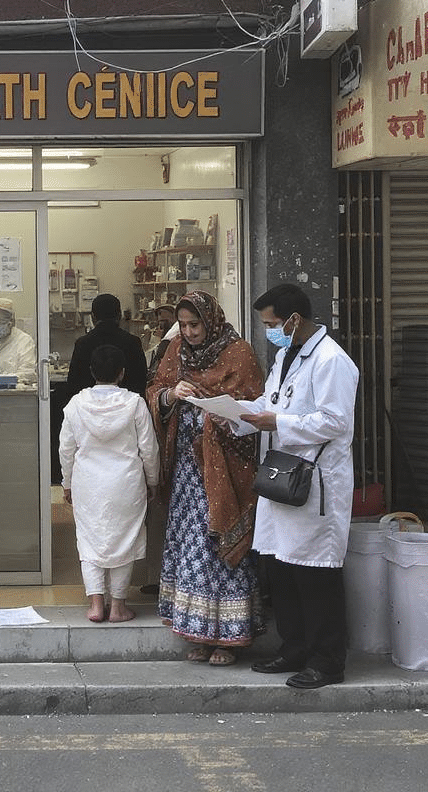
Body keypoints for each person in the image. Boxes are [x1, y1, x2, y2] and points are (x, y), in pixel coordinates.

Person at [231, 284, 359, 690]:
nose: (269, 331)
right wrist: (236, 413)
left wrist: (277, 424)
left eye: (271, 323)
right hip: (282, 476)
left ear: (294, 320)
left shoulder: (332, 361)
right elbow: (272, 404)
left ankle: (326, 660)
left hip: (316, 482)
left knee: (315, 574)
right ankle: (294, 648)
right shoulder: (287, 355)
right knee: (282, 566)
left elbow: (336, 421)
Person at [147, 290, 265, 666]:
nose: (189, 332)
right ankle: (194, 630)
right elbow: (153, 391)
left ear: (211, 320)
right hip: (187, 470)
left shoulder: (239, 353)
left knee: (218, 546)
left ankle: (228, 638)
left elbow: (256, 408)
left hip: (225, 471)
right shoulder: (176, 349)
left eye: (194, 324)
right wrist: (170, 395)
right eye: (183, 325)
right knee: (191, 546)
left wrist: (220, 415)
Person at [59, 345, 159, 623]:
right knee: (123, 541)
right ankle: (118, 607)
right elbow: (148, 449)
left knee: (89, 540)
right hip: (126, 482)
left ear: (91, 372)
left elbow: (66, 449)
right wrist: (153, 481)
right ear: (122, 373)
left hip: (88, 482)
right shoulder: (135, 403)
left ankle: (95, 604)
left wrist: (67, 483)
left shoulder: (76, 404)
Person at [67, 293, 148, 398]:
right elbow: (140, 382)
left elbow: (73, 385)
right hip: (126, 408)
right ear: (119, 316)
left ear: (92, 317)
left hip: (90, 409)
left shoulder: (82, 343)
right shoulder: (133, 342)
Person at [147, 303, 178, 382]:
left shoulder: (174, 333)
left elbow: (161, 352)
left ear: (174, 317)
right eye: (160, 322)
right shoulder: (168, 335)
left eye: (164, 321)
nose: (161, 325)